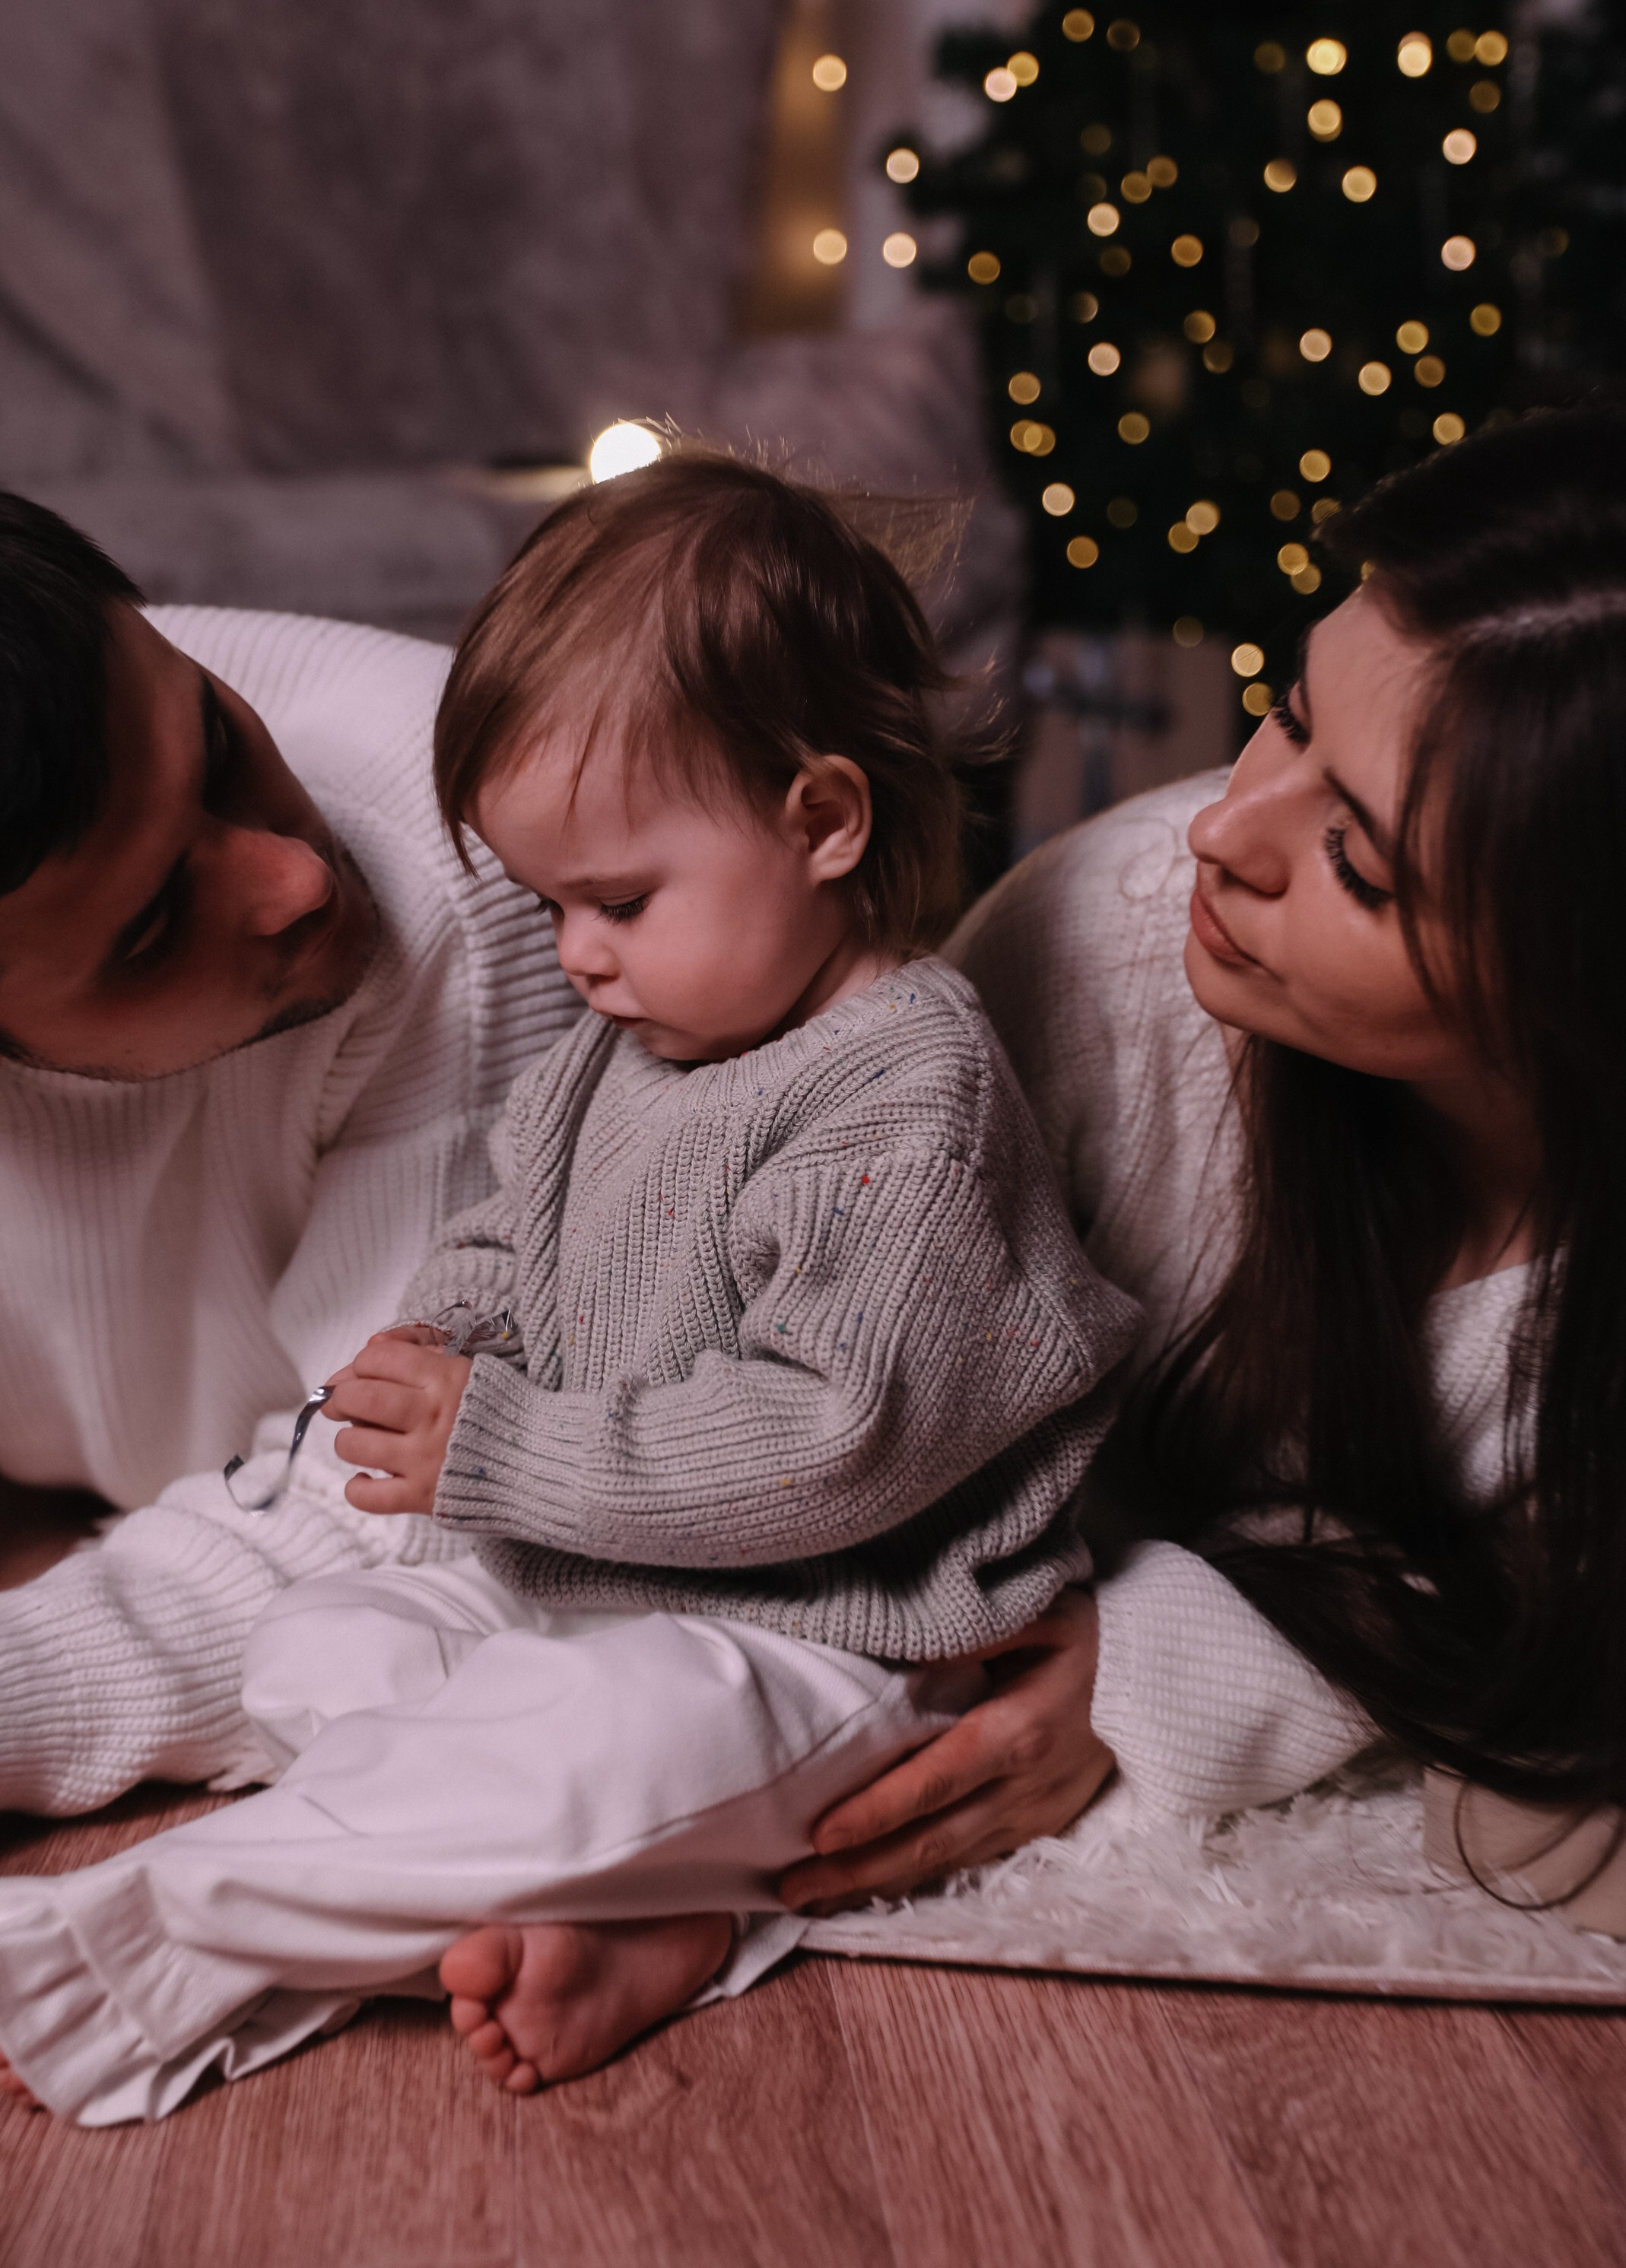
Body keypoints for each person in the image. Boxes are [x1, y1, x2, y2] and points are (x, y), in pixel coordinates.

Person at [0, 453, 1140, 2123]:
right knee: (331, 1655)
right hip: (586, 1569)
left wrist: (490, 1443)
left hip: (841, 1621)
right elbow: (505, 1242)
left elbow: (834, 1446)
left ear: (821, 821)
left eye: (608, 904)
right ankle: (602, 1891)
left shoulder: (898, 1092)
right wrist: (442, 1342)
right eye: (160, 919)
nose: (573, 953)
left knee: (625, 1743)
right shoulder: (646, 1018)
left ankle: (148, 1934)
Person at [786, 400, 1626, 1926]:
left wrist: (1162, 1678)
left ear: (1600, 992)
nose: (1226, 828)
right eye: (1285, 709)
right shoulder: (1097, 946)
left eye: (1356, 862)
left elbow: (1536, 1612)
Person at [0, 494, 576, 1815]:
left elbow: (390, 1522)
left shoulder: (487, 858)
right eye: (152, 931)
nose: (296, 879)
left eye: (215, 737)